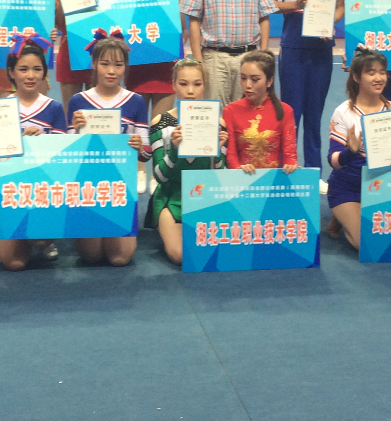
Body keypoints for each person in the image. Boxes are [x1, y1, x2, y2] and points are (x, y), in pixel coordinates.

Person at [269, 0, 347, 171]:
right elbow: (269, 3)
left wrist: (330, 22)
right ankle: (287, 169)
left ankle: (314, 173)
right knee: (290, 114)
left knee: (315, 116)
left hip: (321, 50)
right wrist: (295, 3)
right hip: (293, 48)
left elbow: (342, 6)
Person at [67, 32, 149, 267]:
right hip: (88, 184)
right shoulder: (78, 101)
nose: (111, 71)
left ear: (126, 67)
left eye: (118, 65)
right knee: (91, 256)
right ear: (94, 64)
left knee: (120, 258)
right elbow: (67, 154)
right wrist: (75, 131)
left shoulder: (136, 101)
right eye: (104, 64)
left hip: (121, 185)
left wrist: (138, 147)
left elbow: (146, 152)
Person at [0, 36, 67, 270]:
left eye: (37, 69)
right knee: (14, 263)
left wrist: (42, 142)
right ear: (11, 72)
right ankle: (21, 234)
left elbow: (61, 160)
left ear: (45, 73)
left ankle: (44, 239)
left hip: (44, 186)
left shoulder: (54, 108)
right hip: (9, 187)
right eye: (23, 69)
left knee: (40, 239)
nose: (30, 75)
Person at [326, 46, 391, 250]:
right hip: (348, 187)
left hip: (385, 187)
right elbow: (333, 160)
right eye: (371, 73)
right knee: (367, 245)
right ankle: (343, 214)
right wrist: (350, 151)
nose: (378, 78)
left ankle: (344, 217)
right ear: (357, 77)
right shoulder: (343, 112)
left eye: (382, 72)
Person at [146, 58, 228, 265]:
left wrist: (217, 152)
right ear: (173, 85)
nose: (190, 91)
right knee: (181, 255)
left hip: (206, 194)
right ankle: (167, 224)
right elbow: (159, 176)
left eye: (197, 84)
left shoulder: (217, 122)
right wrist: (174, 150)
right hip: (171, 195)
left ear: (204, 85)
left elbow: (221, 174)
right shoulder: (161, 122)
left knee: (219, 251)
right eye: (183, 84)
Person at [53, 0, 117, 106]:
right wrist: (59, 1)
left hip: (99, 54)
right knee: (71, 112)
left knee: (97, 111)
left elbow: (114, 21)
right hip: (71, 52)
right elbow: (60, 25)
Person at [126, 0, 181, 120]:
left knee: (160, 130)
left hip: (165, 72)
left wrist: (169, 49)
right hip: (137, 71)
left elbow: (183, 34)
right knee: (136, 130)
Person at [222, 50, 299, 173]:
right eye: (243, 78)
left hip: (273, 180)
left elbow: (290, 155)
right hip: (242, 178)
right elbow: (230, 154)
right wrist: (238, 169)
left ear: (269, 81)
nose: (247, 85)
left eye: (255, 79)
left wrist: (291, 165)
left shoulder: (285, 111)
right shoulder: (230, 111)